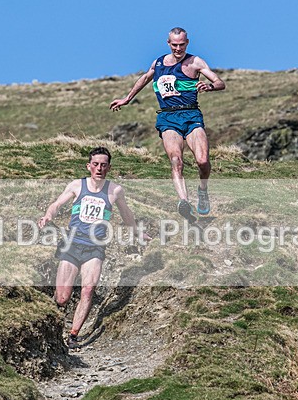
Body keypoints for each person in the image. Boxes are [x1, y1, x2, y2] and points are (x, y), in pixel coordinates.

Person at [38, 147, 150, 348]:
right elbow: (57, 204)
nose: (99, 168)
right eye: (96, 164)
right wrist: (48, 215)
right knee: (62, 298)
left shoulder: (115, 190)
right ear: (88, 166)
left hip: (95, 248)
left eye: (104, 165)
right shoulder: (77, 185)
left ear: (109, 167)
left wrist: (137, 233)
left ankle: (73, 335)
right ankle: (53, 324)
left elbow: (126, 215)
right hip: (72, 244)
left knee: (88, 290)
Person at [110, 27, 225, 222]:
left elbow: (220, 82)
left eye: (181, 44)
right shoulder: (159, 62)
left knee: (203, 161)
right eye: (174, 45)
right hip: (168, 118)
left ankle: (203, 190)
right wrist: (127, 98)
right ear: (168, 43)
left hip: (191, 115)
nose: (178, 48)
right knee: (175, 160)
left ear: (187, 43)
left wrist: (210, 86)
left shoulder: (195, 62)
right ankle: (184, 202)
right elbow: (146, 78)